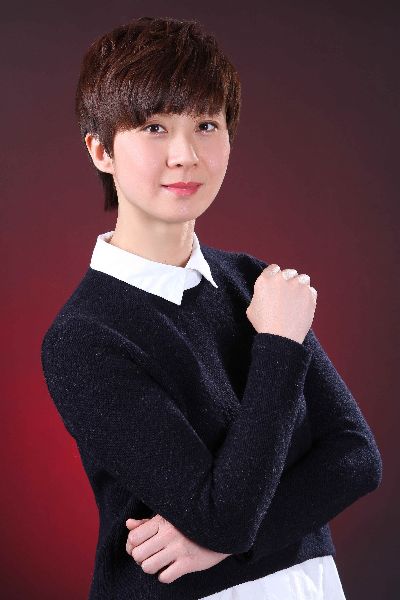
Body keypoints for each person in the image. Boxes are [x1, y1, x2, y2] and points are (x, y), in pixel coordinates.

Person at [40, 16, 382, 600]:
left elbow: (356, 458)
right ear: (100, 150)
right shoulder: (85, 337)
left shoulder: (254, 282)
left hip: (312, 585)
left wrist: (218, 541)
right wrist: (277, 347)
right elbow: (222, 514)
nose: (185, 155)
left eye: (205, 124)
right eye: (154, 127)